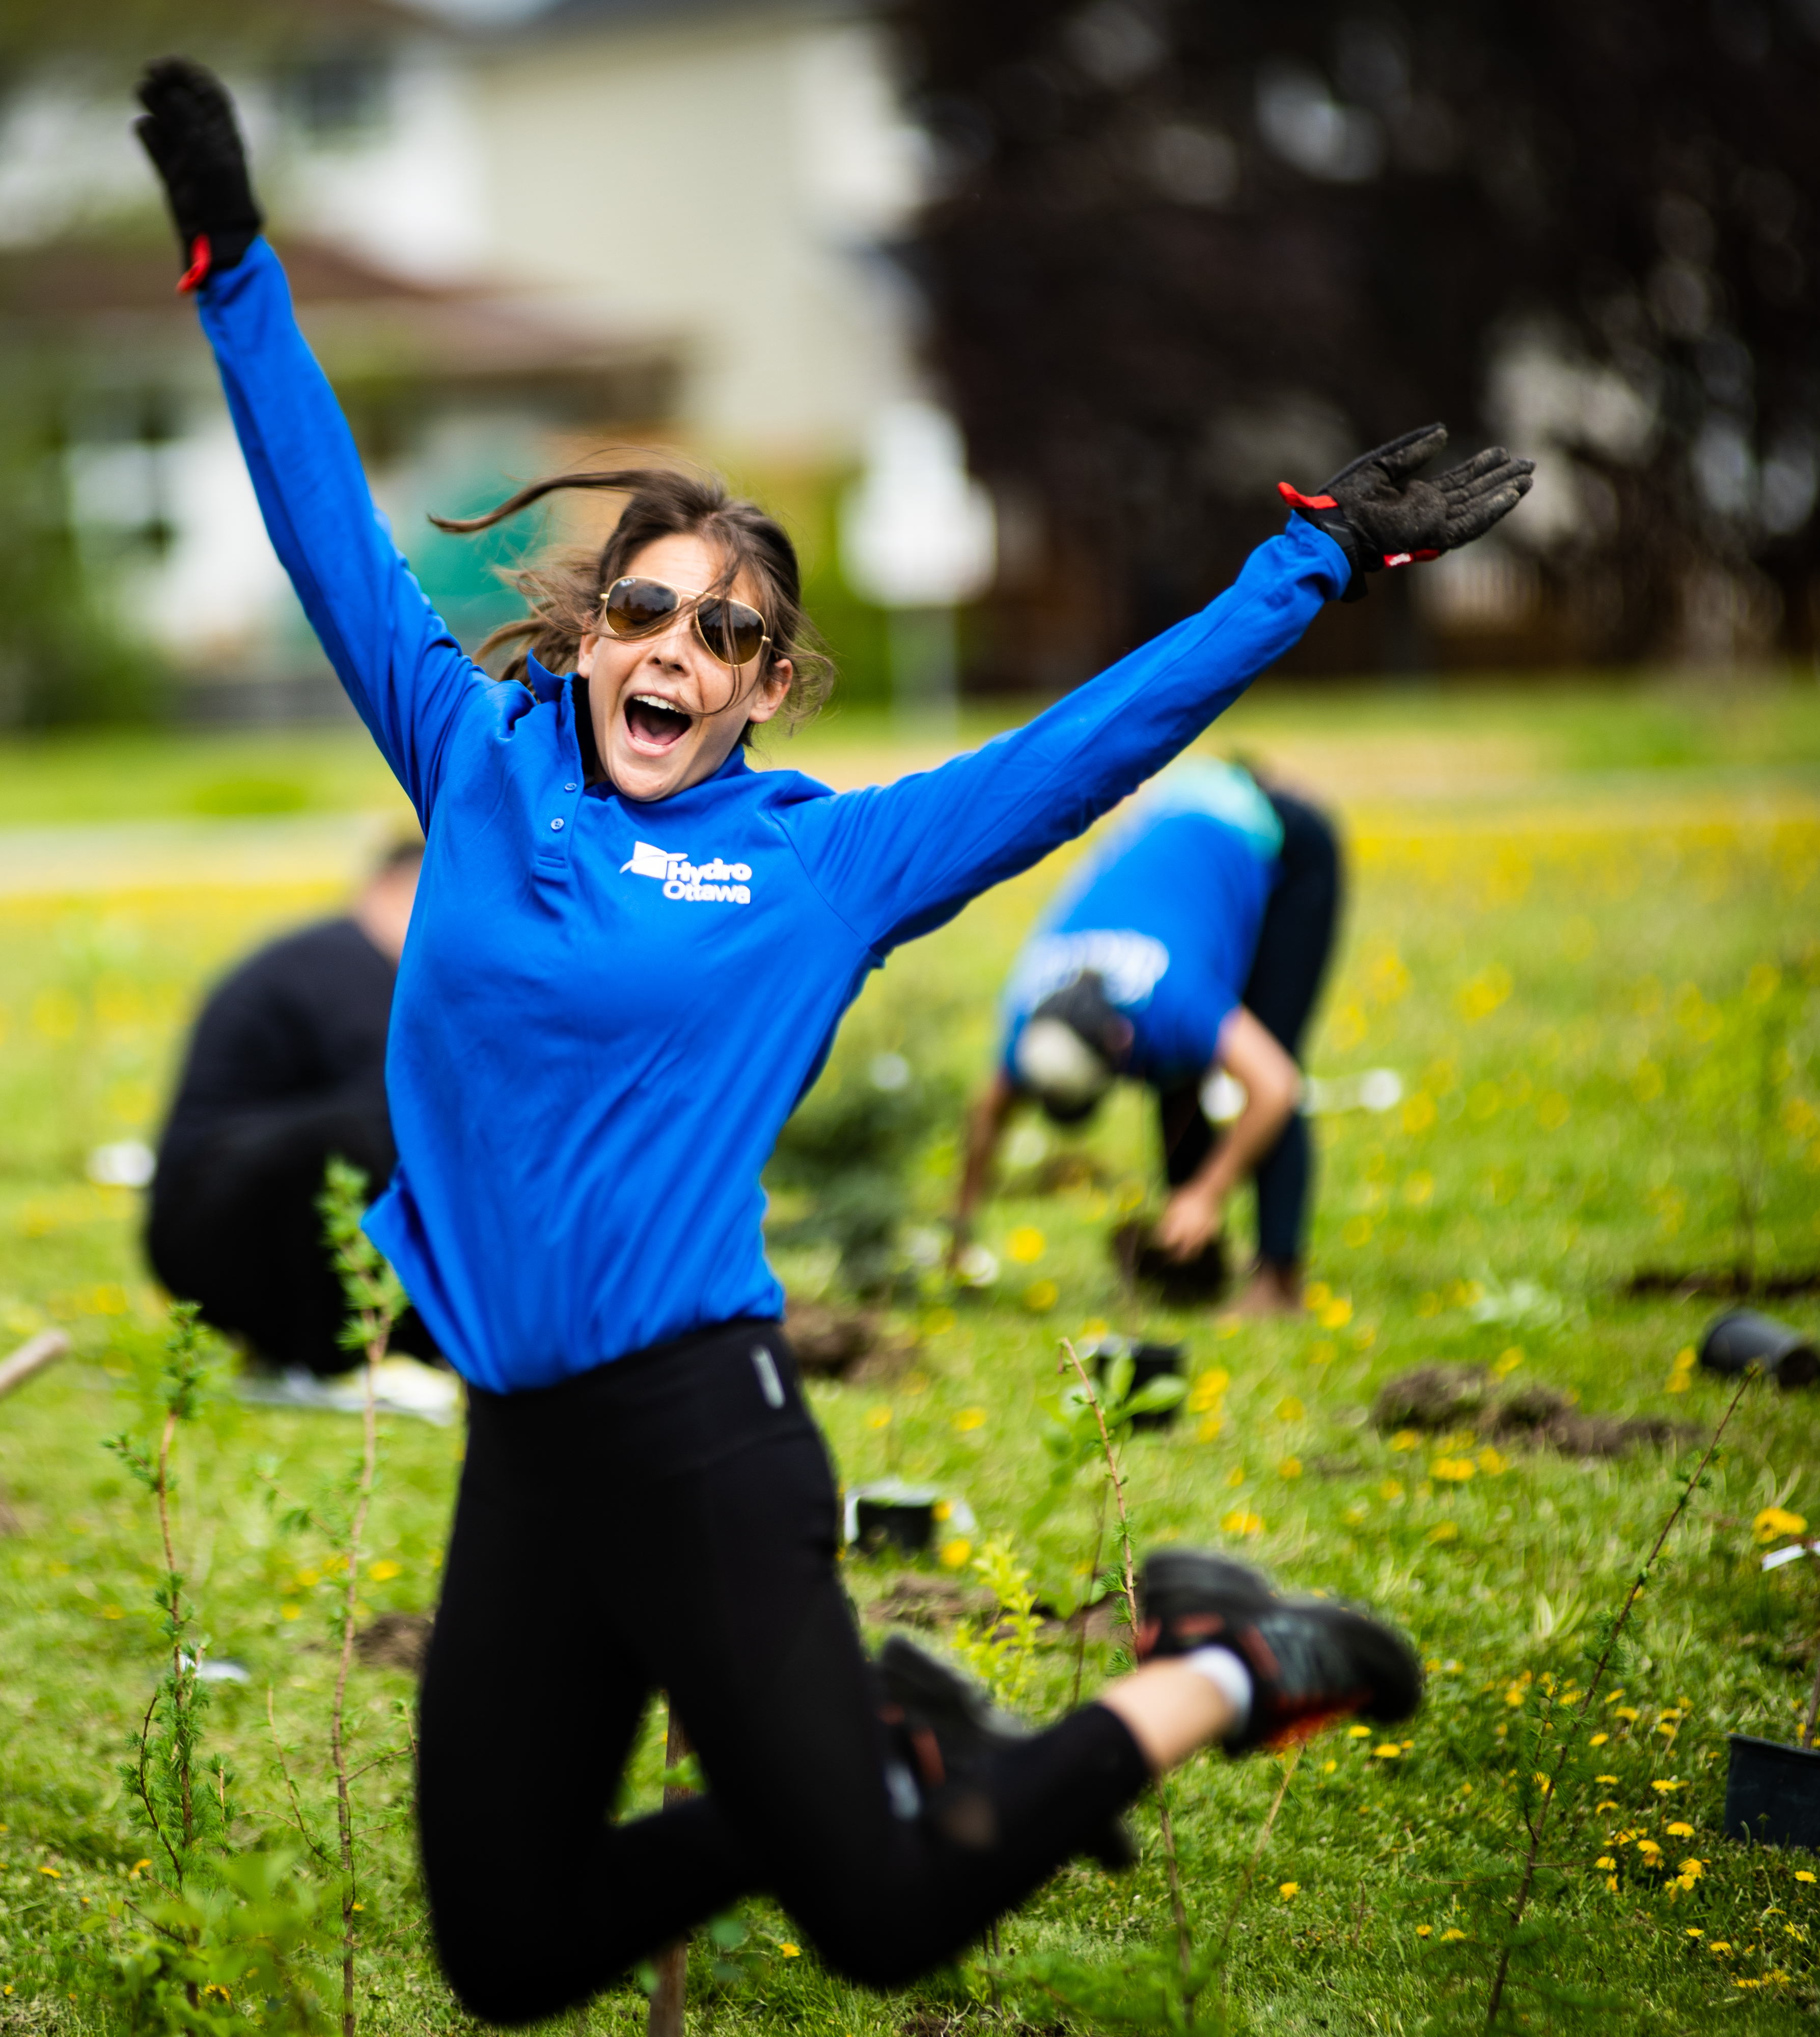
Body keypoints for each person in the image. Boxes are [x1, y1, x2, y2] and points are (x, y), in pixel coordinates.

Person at [134, 58, 1527, 2023]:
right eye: (647, 610)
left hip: (698, 1428)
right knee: (507, 1945)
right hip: (524, 1448)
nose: (674, 652)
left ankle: (1229, 1662)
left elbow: (1081, 748)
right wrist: (229, 263)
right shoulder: (471, 762)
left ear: (765, 685)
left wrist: (1306, 555)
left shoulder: (823, 863)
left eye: (723, 634)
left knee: (882, 1912)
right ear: (594, 633)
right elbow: (321, 527)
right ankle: (894, 1754)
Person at [951, 755, 1344, 1316]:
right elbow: (989, 1114)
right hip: (1183, 827)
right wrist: (960, 1235)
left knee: (1271, 1047)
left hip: (1276, 837)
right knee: (1175, 1066)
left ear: (1117, 1042)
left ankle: (1278, 1284)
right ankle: (1197, 1251)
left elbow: (1274, 1087)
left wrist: (1207, 1193)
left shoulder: (1170, 998)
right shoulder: (1027, 1017)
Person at [146, 838, 457, 1418]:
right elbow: (404, 1108)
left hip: (233, 1223)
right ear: (386, 889)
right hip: (207, 1229)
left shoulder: (344, 962)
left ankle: (375, 1348)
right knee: (362, 1134)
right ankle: (326, 1361)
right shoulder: (346, 959)